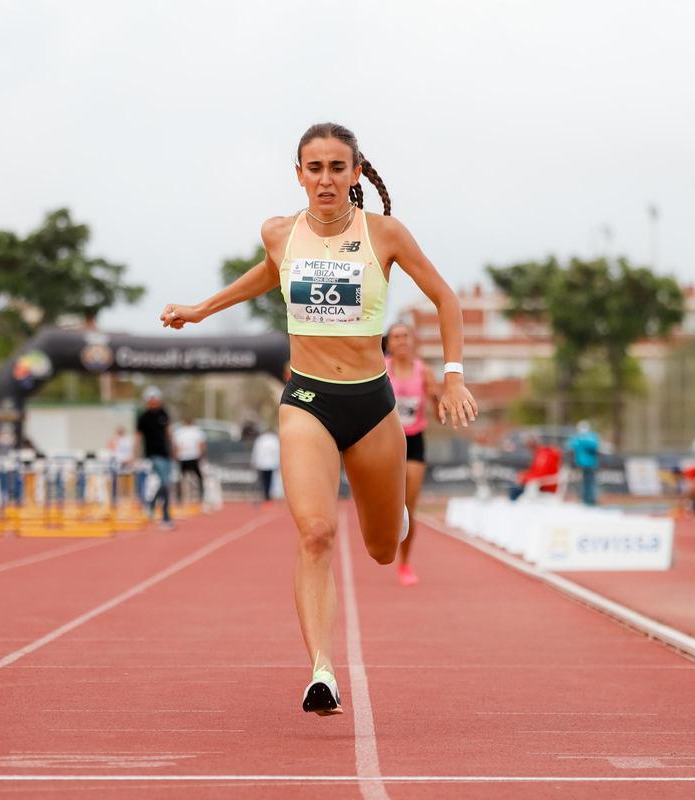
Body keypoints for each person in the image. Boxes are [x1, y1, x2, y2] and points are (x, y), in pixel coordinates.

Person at [159, 122, 476, 716]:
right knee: (315, 532)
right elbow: (268, 273)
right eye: (315, 168)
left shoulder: (384, 233)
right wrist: (203, 309)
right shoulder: (280, 233)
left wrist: (453, 374)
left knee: (383, 547)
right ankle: (321, 672)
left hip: (371, 403)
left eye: (337, 167)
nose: (325, 178)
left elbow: (446, 299)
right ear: (298, 175)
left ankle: (394, 518)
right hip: (307, 400)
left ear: (355, 173)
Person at [384, 321, 436, 587]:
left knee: (409, 506)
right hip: (386, 442)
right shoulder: (380, 369)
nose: (402, 340)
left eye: (406, 336)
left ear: (413, 341)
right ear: (389, 343)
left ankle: (405, 563)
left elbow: (438, 408)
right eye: (396, 337)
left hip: (414, 440)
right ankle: (383, 544)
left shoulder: (424, 371)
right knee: (385, 506)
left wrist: (440, 399)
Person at [136, 386, 174, 529]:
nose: (153, 402)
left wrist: (174, 449)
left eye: (155, 399)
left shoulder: (164, 414)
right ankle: (165, 516)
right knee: (165, 483)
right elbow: (138, 438)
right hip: (153, 455)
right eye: (150, 399)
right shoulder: (143, 417)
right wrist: (135, 456)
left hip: (166, 454)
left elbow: (169, 433)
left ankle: (151, 504)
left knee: (165, 484)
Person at [508, 434, 561, 501]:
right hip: (539, 482)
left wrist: (525, 478)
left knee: (516, 489)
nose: (528, 448)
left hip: (544, 485)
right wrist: (523, 476)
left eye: (529, 445)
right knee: (514, 484)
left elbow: (542, 473)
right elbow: (535, 471)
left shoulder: (544, 455)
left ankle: (513, 505)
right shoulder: (539, 454)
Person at [172, 416, 207, 506]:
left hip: (182, 457)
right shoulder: (197, 431)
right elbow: (201, 445)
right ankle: (201, 496)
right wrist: (201, 456)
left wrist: (176, 457)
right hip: (194, 457)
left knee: (180, 478)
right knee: (199, 478)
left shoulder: (179, 432)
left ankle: (179, 498)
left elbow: (176, 446)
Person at [567, 421, 601, 506]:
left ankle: (589, 500)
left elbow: (594, 446)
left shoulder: (588, 437)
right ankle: (584, 499)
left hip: (589, 464)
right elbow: (569, 446)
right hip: (582, 464)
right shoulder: (579, 438)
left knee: (589, 483)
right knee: (582, 483)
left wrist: (581, 442)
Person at [251, 427, 281, 503]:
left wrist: (254, 462)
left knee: (265, 480)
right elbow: (277, 452)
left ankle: (266, 494)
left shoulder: (261, 439)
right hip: (269, 464)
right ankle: (267, 494)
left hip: (263, 463)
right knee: (269, 480)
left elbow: (256, 451)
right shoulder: (274, 439)